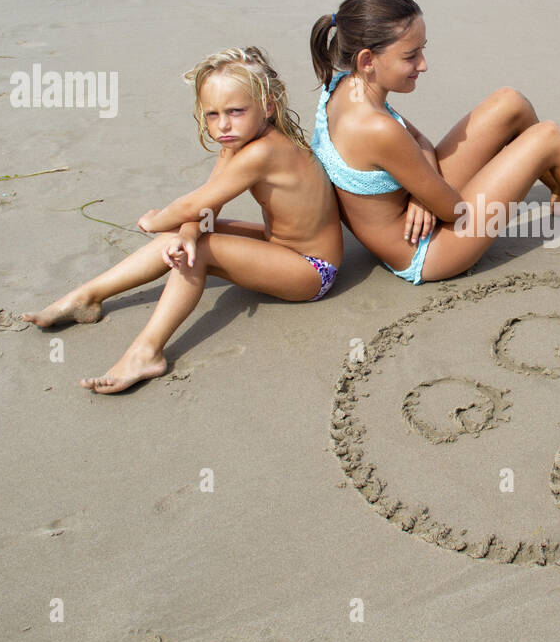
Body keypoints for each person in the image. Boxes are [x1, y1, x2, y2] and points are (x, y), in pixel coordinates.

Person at [308, 0, 560, 284]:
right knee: (548, 136)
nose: (423, 65)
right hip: (430, 251)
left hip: (418, 210)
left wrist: (421, 193)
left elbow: (418, 142)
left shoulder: (343, 85)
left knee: (511, 103)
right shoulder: (377, 128)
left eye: (423, 50)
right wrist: (427, 194)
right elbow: (452, 210)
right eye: (411, 56)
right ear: (368, 60)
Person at [22, 46, 343, 393]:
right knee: (186, 239)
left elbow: (193, 203)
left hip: (312, 270)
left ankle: (147, 353)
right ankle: (87, 297)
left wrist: (156, 221)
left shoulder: (265, 151)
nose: (222, 124)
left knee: (194, 250)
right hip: (277, 245)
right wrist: (186, 233)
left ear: (267, 106)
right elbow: (207, 206)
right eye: (212, 114)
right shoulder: (236, 142)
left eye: (235, 111)